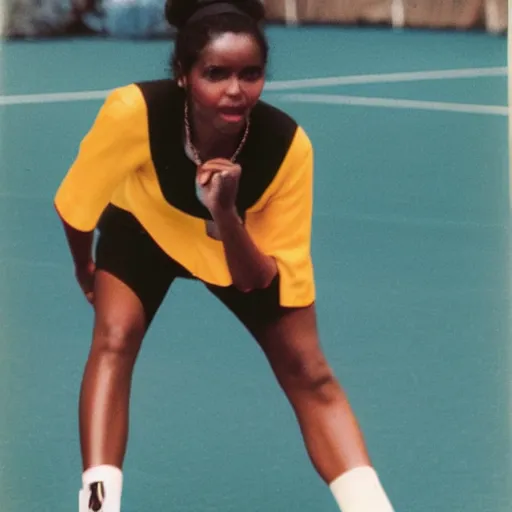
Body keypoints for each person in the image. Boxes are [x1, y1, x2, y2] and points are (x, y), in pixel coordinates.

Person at [54, 1, 396, 511]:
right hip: (143, 224)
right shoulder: (133, 112)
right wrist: (86, 264)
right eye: (216, 73)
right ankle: (97, 505)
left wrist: (226, 212)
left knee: (309, 370)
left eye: (251, 74)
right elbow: (77, 208)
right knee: (114, 338)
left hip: (237, 244)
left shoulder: (287, 148)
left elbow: (259, 279)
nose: (236, 90)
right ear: (183, 75)